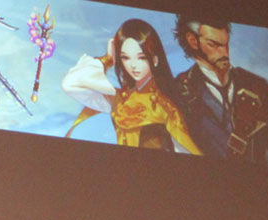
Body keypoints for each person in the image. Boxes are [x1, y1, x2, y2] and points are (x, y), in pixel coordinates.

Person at [62, 18, 201, 154]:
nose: (133, 65)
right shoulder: (119, 100)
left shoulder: (165, 107)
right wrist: (107, 59)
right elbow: (71, 84)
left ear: (154, 59)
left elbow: (187, 151)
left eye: (141, 57)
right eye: (125, 57)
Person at [171, 16, 268, 164]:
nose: (224, 53)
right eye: (213, 45)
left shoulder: (256, 86)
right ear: (193, 41)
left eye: (226, 44)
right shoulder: (179, 91)